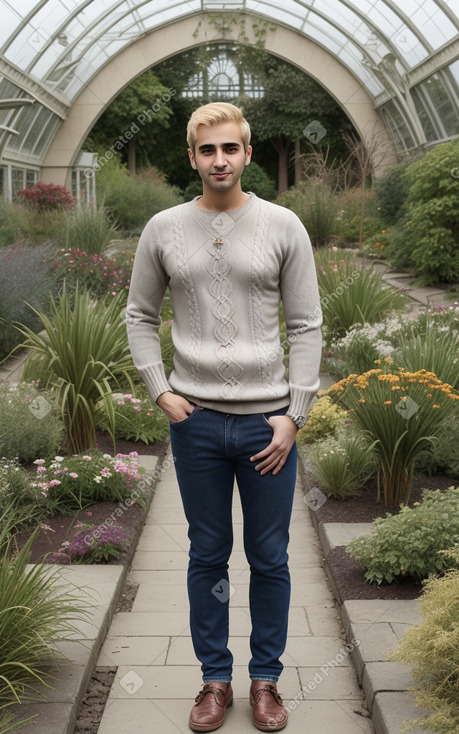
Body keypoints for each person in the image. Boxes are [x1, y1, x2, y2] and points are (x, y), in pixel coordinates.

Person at [126, 102, 322, 732]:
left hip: (269, 427)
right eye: (207, 150)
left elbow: (308, 324)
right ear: (192, 157)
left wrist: (295, 414)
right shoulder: (162, 228)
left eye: (230, 149)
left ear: (247, 152)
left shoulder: (283, 225)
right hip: (198, 424)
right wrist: (161, 391)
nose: (219, 161)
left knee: (270, 556)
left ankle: (266, 680)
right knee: (207, 555)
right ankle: (215, 680)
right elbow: (139, 316)